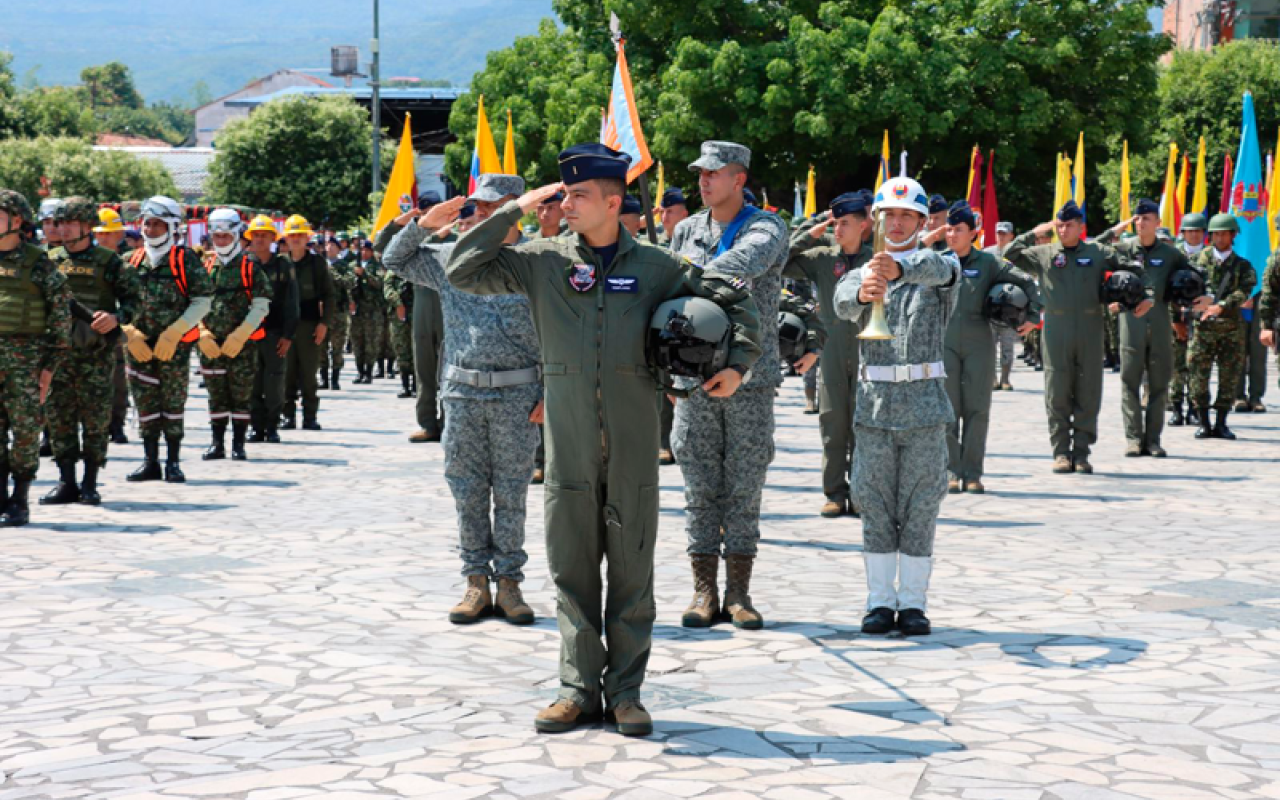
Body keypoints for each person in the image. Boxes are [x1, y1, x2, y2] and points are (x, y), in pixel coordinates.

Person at [446, 143, 762, 737]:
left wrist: (736, 365)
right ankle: (575, 689)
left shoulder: (658, 266)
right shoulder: (540, 260)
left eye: (578, 194)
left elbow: (735, 302)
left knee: (631, 570)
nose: (565, 203)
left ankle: (625, 694)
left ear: (614, 202)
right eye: (561, 193)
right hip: (566, 445)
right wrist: (513, 210)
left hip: (636, 441)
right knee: (571, 570)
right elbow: (461, 269)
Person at [383, 175, 543, 628]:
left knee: (511, 492)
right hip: (463, 394)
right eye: (482, 208)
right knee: (468, 491)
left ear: (518, 210)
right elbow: (393, 259)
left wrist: (550, 390)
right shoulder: (450, 256)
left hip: (518, 395)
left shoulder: (536, 261)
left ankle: (510, 583)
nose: (485, 217)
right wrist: (424, 225)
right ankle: (476, 580)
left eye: (497, 209)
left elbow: (560, 330)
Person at [832, 176, 960, 637]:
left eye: (908, 215)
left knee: (922, 505)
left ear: (923, 221)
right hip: (876, 408)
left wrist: (900, 271)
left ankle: (913, 604)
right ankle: (880, 602)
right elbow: (843, 303)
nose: (899, 222)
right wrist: (865, 290)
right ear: (878, 221)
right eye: (891, 215)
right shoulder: (859, 272)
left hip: (925, 408)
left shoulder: (938, 268)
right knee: (874, 504)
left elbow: (940, 271)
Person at [669, 140, 788, 630]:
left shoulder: (766, 227)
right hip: (693, 377)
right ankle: (703, 590)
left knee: (743, 485)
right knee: (698, 486)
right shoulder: (685, 230)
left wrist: (678, 273)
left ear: (739, 179)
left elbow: (741, 264)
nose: (703, 181)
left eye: (713, 173)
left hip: (748, 380)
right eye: (700, 172)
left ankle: (738, 592)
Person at [1002, 200, 1126, 474]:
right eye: (1059, 225)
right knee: (1057, 390)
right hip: (1056, 326)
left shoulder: (1097, 251)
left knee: (1089, 390)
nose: (1063, 229)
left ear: (1080, 226)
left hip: (1090, 325)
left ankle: (1081, 453)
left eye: (1069, 225)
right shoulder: (1044, 253)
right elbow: (1009, 253)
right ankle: (1060, 452)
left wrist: (1136, 298)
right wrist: (1036, 232)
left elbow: (1129, 268)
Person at [40, 197, 140, 506]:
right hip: (57, 354)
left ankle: (90, 482)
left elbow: (135, 302)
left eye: (71, 223)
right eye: (61, 223)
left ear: (86, 227)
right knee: (59, 419)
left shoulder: (110, 263)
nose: (64, 229)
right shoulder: (48, 260)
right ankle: (66, 480)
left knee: (96, 421)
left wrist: (116, 318)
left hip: (94, 354)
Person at [942, 202, 1039, 493]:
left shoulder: (989, 263)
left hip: (979, 340)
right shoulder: (937, 262)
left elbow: (1027, 282)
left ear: (972, 233)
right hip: (944, 341)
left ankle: (972, 473)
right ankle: (950, 470)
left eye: (959, 230)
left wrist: (1033, 318)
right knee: (947, 409)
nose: (952, 234)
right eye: (948, 229)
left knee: (977, 408)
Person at [785, 193, 872, 517]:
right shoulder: (822, 257)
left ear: (863, 225)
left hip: (869, 350)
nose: (837, 229)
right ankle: (834, 492)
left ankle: (863, 494)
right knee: (833, 424)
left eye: (844, 223)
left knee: (865, 427)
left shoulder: (876, 258)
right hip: (832, 350)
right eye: (835, 223)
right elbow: (781, 259)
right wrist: (813, 230)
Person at [120, 196, 212, 483]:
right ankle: (150, 461)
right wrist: (128, 332)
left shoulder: (185, 260)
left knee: (172, 403)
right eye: (147, 223)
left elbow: (203, 300)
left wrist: (176, 332)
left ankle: (173, 461)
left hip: (175, 347)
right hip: (138, 348)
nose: (150, 229)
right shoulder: (129, 261)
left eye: (158, 224)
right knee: (144, 403)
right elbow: (112, 300)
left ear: (172, 227)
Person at [0, 189, 73, 525]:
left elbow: (61, 323)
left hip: (26, 362)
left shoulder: (40, 265)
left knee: (26, 431)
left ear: (16, 221)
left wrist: (48, 370)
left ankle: (20, 498)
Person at [1096, 200, 1180, 457]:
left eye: (1147, 219)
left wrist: (1206, 297)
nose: (1141, 223)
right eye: (1137, 219)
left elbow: (1193, 277)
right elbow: (1092, 249)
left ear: (1158, 223)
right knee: (1130, 381)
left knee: (1159, 383)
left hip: (1160, 323)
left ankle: (1153, 440)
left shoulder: (1171, 254)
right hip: (1130, 322)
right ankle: (1133, 439)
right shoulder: (1122, 250)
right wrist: (1115, 230)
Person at [197, 208, 272, 461]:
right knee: (216, 394)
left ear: (237, 235)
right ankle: (216, 443)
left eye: (226, 237)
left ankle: (238, 444)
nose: (221, 241)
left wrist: (241, 335)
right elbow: (192, 302)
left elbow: (261, 305)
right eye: (216, 237)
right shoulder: (204, 267)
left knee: (241, 395)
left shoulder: (250, 267)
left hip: (243, 345)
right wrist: (201, 332)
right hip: (210, 345)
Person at [1187, 214, 1257, 439]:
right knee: (1198, 376)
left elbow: (1245, 290)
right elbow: (1183, 288)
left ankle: (1221, 423)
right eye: (1216, 233)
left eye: (1224, 233)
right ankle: (1204, 422)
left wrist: (1222, 305)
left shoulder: (1243, 265)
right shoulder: (1197, 261)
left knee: (1229, 377)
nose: (1220, 237)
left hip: (1231, 329)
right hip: (1202, 329)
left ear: (1233, 235)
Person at [280, 215, 336, 431]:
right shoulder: (280, 263)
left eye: (300, 235)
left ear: (307, 238)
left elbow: (329, 296)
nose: (296, 239)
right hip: (285, 326)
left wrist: (324, 323)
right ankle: (288, 416)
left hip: (309, 325)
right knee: (286, 374)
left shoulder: (317, 264)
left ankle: (309, 416)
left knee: (309, 374)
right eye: (292, 235)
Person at [246, 216, 298, 443]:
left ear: (272, 239)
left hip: (275, 332)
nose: (259, 239)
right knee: (251, 381)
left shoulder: (283, 265)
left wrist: (288, 335)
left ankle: (272, 425)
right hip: (247, 333)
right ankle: (255, 426)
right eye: (256, 235)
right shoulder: (244, 263)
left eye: (264, 235)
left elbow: (291, 301)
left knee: (275, 381)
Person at [1169, 213, 1208, 426]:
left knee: (1197, 366)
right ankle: (1176, 408)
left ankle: (1195, 408)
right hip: (1177, 316)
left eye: (1198, 231)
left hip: (1202, 318)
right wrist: (1176, 320)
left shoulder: (1209, 256)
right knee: (1177, 365)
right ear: (1182, 233)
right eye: (1189, 231)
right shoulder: (1173, 256)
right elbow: (1166, 291)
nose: (1193, 235)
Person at [321, 235, 354, 390]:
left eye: (333, 246)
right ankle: (323, 379)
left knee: (337, 347)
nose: (329, 248)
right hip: (321, 312)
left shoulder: (344, 266)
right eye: (327, 245)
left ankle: (335, 379)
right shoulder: (319, 264)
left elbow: (349, 282)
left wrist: (332, 274)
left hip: (338, 312)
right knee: (320, 347)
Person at [349, 241, 383, 384]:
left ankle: (369, 371)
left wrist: (365, 275)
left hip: (371, 310)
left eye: (367, 250)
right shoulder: (352, 266)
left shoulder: (376, 266)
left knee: (371, 342)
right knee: (357, 341)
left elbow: (379, 283)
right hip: (356, 310)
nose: (364, 252)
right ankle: (360, 371)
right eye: (361, 250)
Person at [383, 269, 416, 398]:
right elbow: (388, 289)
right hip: (398, 315)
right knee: (400, 349)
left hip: (416, 311)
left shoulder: (416, 267)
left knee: (416, 349)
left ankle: (415, 386)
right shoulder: (393, 270)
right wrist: (398, 304)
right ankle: (405, 385)